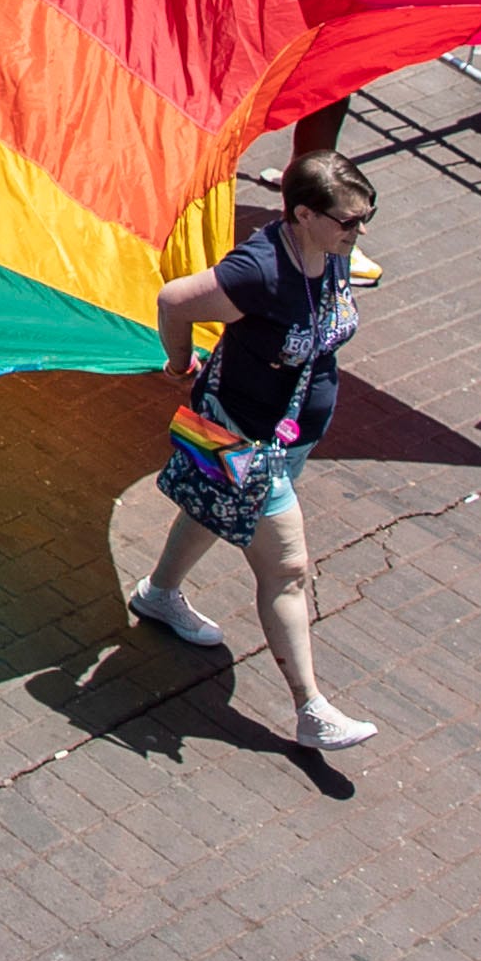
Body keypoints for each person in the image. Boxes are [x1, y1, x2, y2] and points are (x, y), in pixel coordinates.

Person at [124, 153, 382, 753]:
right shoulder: (259, 272)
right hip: (241, 438)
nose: (359, 231)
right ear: (302, 215)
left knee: (209, 513)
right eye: (348, 220)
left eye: (366, 218)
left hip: (289, 439)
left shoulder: (333, 254)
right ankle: (310, 708)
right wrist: (179, 361)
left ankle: (159, 595)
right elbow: (174, 299)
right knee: (287, 570)